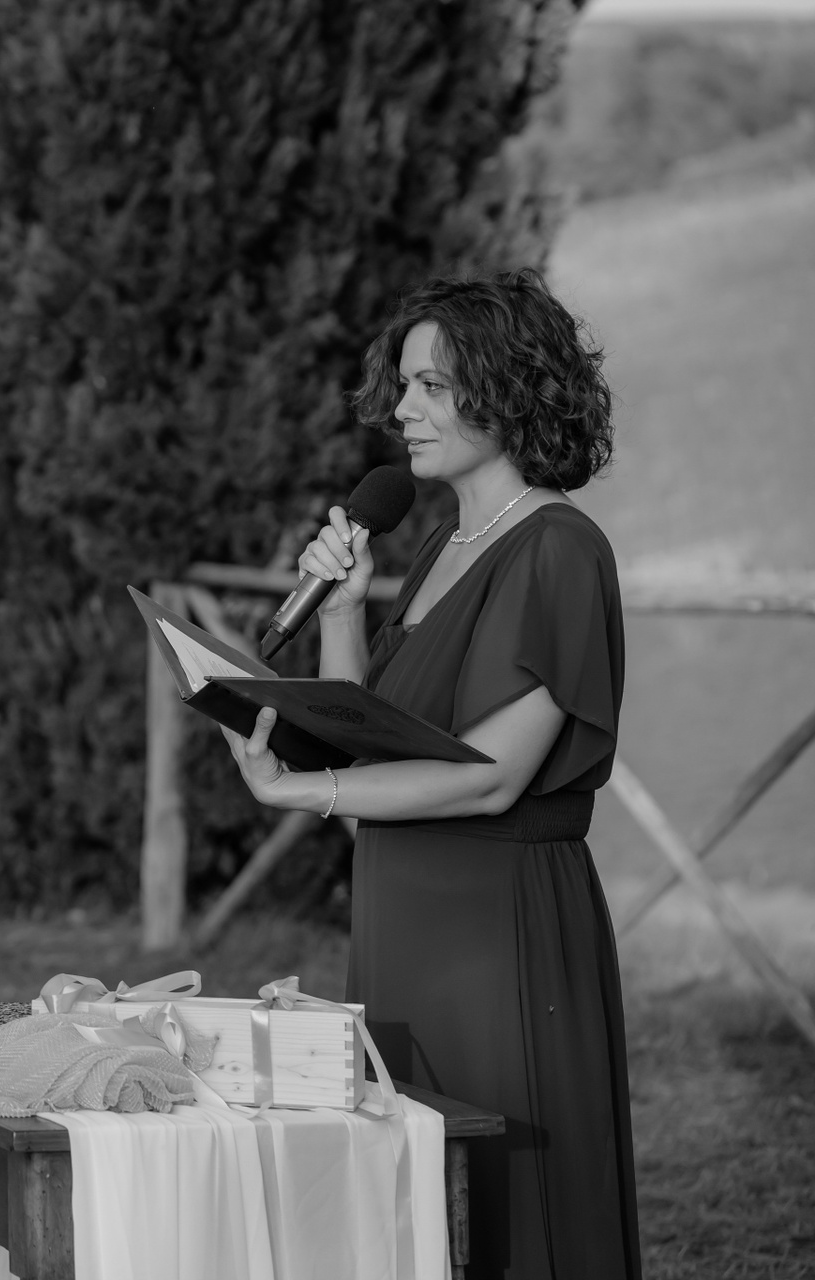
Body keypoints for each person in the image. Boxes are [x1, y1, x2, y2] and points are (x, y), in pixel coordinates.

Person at [219, 269, 640, 1279]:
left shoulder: (559, 549)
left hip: (499, 927)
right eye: (404, 384)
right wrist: (340, 611)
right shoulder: (448, 543)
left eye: (432, 386)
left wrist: (298, 792)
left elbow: (491, 777)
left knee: (515, 1207)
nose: (401, 409)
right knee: (413, 1197)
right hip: (405, 911)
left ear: (510, 387)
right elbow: (372, 739)